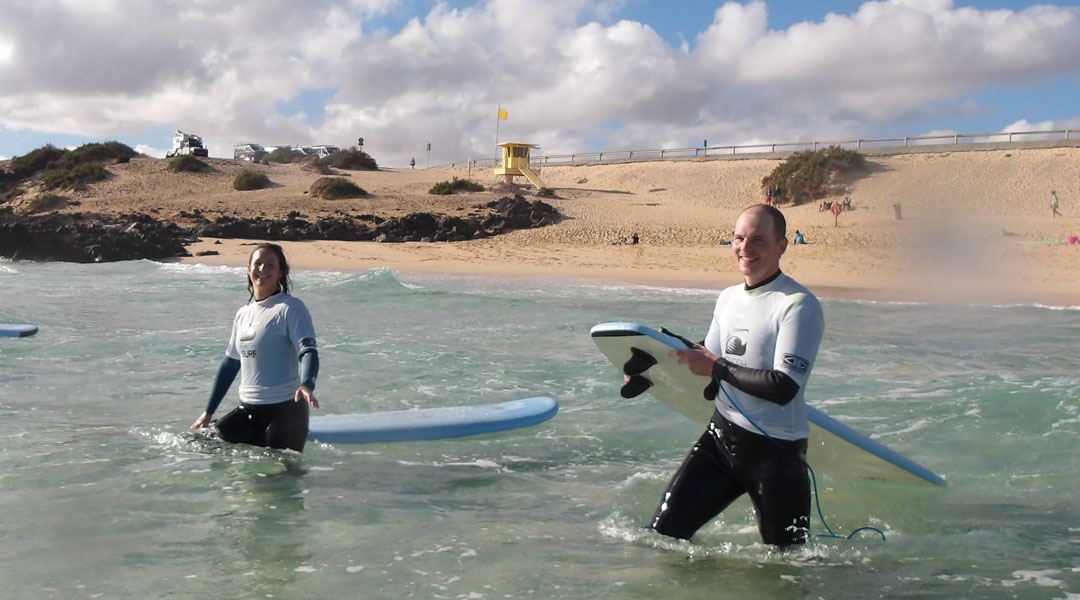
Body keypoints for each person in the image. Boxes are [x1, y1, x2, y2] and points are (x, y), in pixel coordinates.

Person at [649, 204, 824, 547]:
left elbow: (783, 386)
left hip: (776, 456)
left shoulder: (797, 304)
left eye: (759, 240)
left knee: (786, 567)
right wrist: (648, 366)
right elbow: (706, 358)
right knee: (662, 538)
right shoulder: (728, 298)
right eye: (739, 238)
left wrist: (716, 367)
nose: (745, 248)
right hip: (719, 441)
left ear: (782, 246)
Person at [190, 243, 320, 452]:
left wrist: (306, 385)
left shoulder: (290, 308)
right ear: (248, 269)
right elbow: (230, 364)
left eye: (270, 265)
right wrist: (208, 413)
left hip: (285, 412)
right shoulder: (243, 314)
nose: (263, 269)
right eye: (258, 264)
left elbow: (308, 351)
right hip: (248, 412)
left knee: (277, 477)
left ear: (281, 271)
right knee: (201, 444)